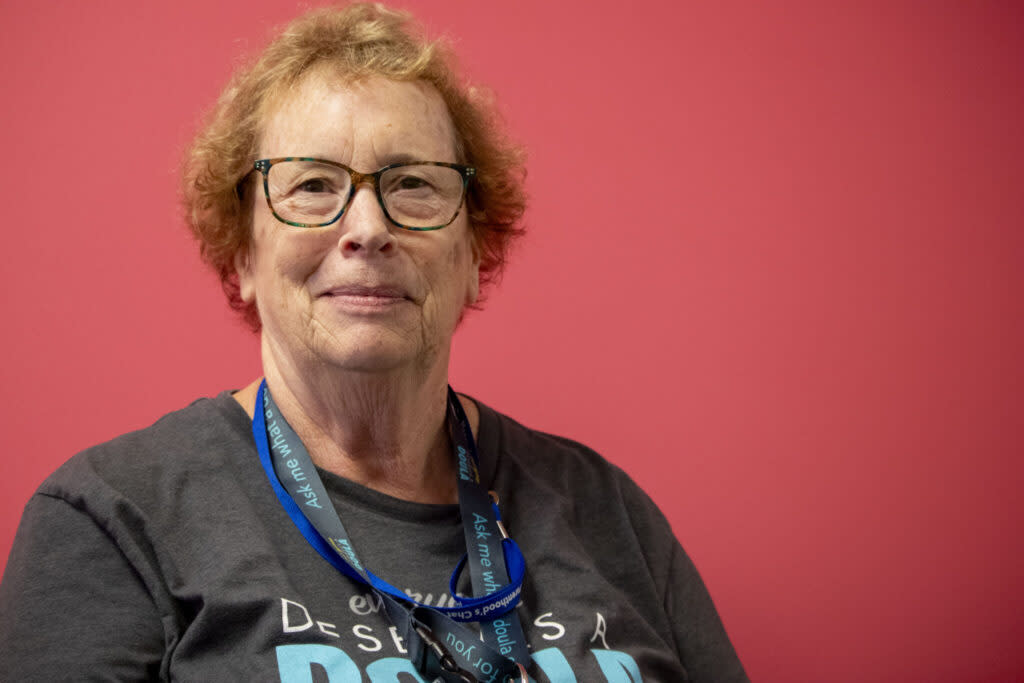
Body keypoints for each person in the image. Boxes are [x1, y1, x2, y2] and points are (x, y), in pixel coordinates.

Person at [0, 4, 747, 681]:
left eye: (414, 184)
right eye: (313, 185)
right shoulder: (113, 519)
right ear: (241, 254)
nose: (367, 229)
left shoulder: (607, 510)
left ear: (476, 256)